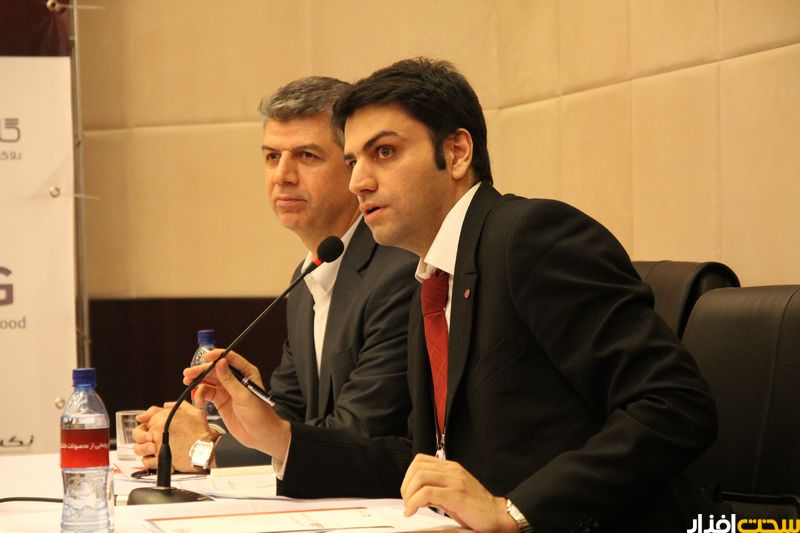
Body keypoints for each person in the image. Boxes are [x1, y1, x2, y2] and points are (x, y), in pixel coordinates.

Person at [187, 59, 719, 533]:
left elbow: (674, 406)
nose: (359, 183)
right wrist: (276, 436)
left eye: (385, 152)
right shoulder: (436, 273)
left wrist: (516, 511)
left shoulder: (530, 237)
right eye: (352, 162)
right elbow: (417, 460)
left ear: (457, 152)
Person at [133, 76, 417, 472]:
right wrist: (247, 402)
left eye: (306, 156)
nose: (282, 176)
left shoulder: (397, 274)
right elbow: (292, 420)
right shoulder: (307, 278)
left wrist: (202, 449)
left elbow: (357, 435)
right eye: (271, 157)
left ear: (353, 167)